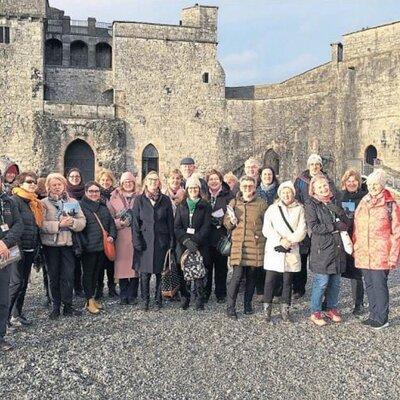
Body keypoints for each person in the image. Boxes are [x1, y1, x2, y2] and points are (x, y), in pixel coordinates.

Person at [353, 169, 400, 329]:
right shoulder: (364, 201)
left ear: (382, 185)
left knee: (379, 285)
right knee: (369, 284)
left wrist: (393, 256)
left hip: (381, 252)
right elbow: (357, 228)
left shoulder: (390, 204)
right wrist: (355, 247)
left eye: (376, 184)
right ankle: (373, 314)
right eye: (371, 184)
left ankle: (382, 318)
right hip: (364, 251)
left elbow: (397, 232)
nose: (373, 187)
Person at [40, 173, 86, 320]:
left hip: (68, 244)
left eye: (59, 184)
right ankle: (55, 306)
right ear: (48, 187)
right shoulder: (43, 203)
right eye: (54, 185)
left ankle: (67, 306)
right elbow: (40, 225)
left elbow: (82, 221)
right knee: (53, 276)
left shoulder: (72, 202)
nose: (57, 187)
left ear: (64, 185)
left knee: (68, 275)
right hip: (51, 245)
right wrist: (59, 225)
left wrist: (72, 222)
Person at [306, 174, 349, 327]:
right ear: (314, 190)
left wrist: (340, 216)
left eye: (325, 185)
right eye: (319, 187)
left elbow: (345, 219)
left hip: (337, 247)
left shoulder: (335, 200)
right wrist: (334, 227)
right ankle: (315, 310)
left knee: (336, 282)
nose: (323, 189)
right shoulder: (311, 204)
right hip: (322, 249)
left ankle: (331, 307)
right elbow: (314, 227)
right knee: (322, 282)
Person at [293, 153, 337, 299]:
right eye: (312, 164)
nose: (314, 167)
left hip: (322, 221)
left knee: (322, 256)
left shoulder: (327, 180)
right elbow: (295, 196)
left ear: (320, 166)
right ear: (308, 166)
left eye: (317, 164)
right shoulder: (300, 180)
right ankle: (299, 288)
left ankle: (324, 292)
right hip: (305, 220)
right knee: (303, 254)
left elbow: (334, 196)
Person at [262, 181, 306, 322]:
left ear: (293, 194)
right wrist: (280, 240)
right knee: (270, 280)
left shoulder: (300, 209)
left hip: (291, 248)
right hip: (275, 247)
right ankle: (266, 310)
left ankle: (285, 309)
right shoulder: (272, 209)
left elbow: (302, 229)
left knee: (288, 281)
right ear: (280, 194)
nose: (286, 195)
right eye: (284, 192)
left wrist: (289, 242)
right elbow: (267, 228)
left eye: (289, 192)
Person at [224, 176, 267, 319]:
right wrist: (230, 220)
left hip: (255, 246)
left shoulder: (261, 204)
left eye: (250, 186)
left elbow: (267, 225)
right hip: (239, 246)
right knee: (236, 277)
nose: (247, 188)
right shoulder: (234, 203)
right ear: (240, 188)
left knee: (251, 278)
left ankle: (248, 304)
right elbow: (227, 224)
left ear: (255, 187)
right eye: (245, 186)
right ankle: (231, 307)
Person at [131, 171, 174, 311]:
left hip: (161, 241)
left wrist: (171, 241)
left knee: (160, 272)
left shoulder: (165, 199)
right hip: (144, 242)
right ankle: (145, 300)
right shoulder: (139, 199)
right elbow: (135, 223)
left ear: (159, 182)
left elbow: (170, 222)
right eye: (150, 180)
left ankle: (158, 299)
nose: (153, 182)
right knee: (144, 273)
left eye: (156, 180)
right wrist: (136, 241)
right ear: (146, 182)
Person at [8, 172, 43, 328]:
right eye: (29, 181)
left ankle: (17, 314)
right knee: (15, 283)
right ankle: (6, 317)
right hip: (18, 249)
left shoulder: (32, 202)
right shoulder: (14, 200)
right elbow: (13, 225)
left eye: (34, 182)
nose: (33, 184)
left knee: (23, 283)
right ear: (20, 183)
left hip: (30, 248)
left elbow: (34, 226)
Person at [174, 175, 212, 310]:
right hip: (183, 244)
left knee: (199, 271)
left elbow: (207, 226)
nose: (193, 190)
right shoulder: (181, 206)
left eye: (196, 187)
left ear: (199, 189)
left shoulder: (205, 206)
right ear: (187, 189)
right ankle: (185, 297)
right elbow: (177, 227)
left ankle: (199, 299)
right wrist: (185, 240)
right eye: (191, 187)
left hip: (199, 244)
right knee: (183, 270)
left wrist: (194, 242)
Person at [80, 182, 117, 314]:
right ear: (86, 192)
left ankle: (93, 298)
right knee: (88, 274)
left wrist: (112, 235)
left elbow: (111, 223)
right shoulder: (81, 206)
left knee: (96, 274)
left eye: (96, 191)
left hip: (102, 246)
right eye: (91, 191)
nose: (94, 193)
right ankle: (88, 300)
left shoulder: (102, 207)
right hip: (88, 247)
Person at [339, 169, 367, 316]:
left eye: (354, 180)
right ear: (344, 182)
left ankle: (359, 303)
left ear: (359, 182)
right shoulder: (339, 196)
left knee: (356, 273)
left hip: (356, 237)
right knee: (334, 270)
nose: (351, 183)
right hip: (340, 237)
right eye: (348, 181)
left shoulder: (364, 197)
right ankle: (328, 302)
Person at [108, 172, 139, 305]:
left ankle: (132, 295)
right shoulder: (113, 197)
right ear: (121, 183)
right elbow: (109, 218)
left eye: (130, 182)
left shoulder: (139, 197)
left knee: (135, 266)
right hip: (120, 236)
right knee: (121, 266)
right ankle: (123, 294)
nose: (128, 184)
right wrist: (118, 223)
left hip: (136, 236)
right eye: (125, 182)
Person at [0, 173, 23, 351]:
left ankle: (0, 337)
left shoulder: (9, 202)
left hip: (4, 255)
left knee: (2, 299)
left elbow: (18, 225)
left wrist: (5, 242)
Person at [204, 169, 234, 303]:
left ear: (221, 180)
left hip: (221, 235)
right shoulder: (204, 195)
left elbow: (232, 214)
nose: (213, 181)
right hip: (206, 237)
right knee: (207, 266)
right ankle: (205, 292)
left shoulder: (228, 195)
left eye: (216, 179)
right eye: (211, 179)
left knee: (221, 267)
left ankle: (221, 293)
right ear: (207, 182)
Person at [255, 166, 279, 300]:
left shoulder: (278, 190)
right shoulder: (256, 191)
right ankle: (260, 291)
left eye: (270, 174)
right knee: (261, 260)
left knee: (276, 260)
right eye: (265, 174)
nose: (267, 176)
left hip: (276, 229)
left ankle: (275, 291)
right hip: (260, 229)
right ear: (261, 176)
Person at [96, 169, 118, 298]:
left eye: (108, 180)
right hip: (100, 232)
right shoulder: (96, 194)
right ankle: (99, 288)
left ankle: (112, 287)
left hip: (113, 231)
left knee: (111, 262)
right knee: (99, 263)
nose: (105, 182)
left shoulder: (115, 194)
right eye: (103, 180)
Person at [66, 168, 85, 297]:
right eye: (72, 176)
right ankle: (68, 288)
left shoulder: (85, 192)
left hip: (82, 231)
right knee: (68, 263)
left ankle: (78, 288)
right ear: (68, 178)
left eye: (77, 176)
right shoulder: (65, 193)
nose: (75, 178)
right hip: (67, 232)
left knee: (79, 263)